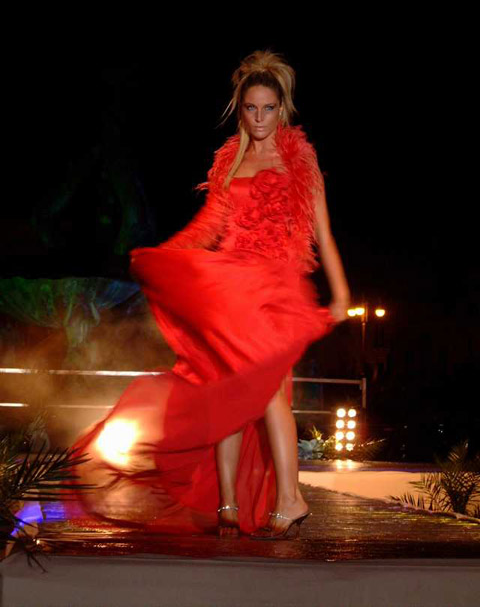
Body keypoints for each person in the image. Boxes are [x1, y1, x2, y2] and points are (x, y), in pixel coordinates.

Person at [66, 49, 351, 541]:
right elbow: (209, 226)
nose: (259, 118)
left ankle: (290, 497)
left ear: (282, 109)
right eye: (251, 108)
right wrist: (163, 255)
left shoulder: (299, 158)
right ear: (240, 109)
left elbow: (322, 233)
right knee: (228, 395)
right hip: (231, 289)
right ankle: (228, 504)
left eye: (268, 108)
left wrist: (341, 293)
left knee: (267, 392)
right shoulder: (230, 159)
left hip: (275, 290)